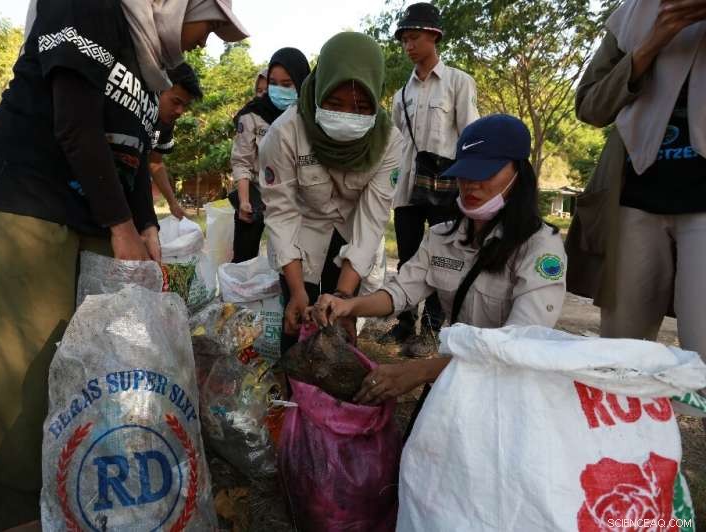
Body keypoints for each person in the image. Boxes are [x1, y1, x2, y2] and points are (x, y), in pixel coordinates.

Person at [0, 0, 248, 529]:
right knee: (22, 364)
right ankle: (19, 513)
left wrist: (146, 225)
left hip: (91, 206)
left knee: (89, 356)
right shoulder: (87, 4)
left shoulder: (145, 58)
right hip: (26, 195)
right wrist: (120, 227)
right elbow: (74, 122)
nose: (208, 41)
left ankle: (76, 495)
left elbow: (131, 151)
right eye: (211, 24)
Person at [310, 115, 566, 407]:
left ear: (518, 174)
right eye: (465, 174)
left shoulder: (540, 248)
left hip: (505, 393)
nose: (470, 185)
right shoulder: (443, 237)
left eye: (485, 174)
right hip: (454, 380)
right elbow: (401, 292)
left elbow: (518, 348)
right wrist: (348, 305)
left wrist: (420, 371)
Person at [566, 0, 706, 361]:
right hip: (633, 200)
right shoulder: (631, 17)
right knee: (621, 354)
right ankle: (625, 419)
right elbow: (590, 106)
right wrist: (650, 45)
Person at [258, 32, 405, 354]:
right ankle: (292, 397)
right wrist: (297, 291)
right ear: (318, 89)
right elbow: (281, 214)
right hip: (301, 234)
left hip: (352, 235)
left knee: (338, 332)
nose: (347, 116)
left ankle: (333, 404)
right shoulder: (284, 133)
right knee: (297, 327)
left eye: (361, 107)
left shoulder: (389, 142)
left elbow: (371, 221)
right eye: (334, 104)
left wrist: (345, 298)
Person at [381, 2, 480, 357]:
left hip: (445, 187)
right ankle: (405, 322)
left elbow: (469, 135)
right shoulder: (401, 95)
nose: (408, 45)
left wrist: (470, 187)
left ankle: (433, 328)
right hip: (407, 186)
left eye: (414, 37)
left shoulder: (458, 82)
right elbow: (395, 141)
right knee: (408, 257)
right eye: (404, 39)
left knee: (443, 257)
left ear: (434, 36)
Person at [230, 47, 310, 263]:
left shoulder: (309, 117)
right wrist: (245, 201)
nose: (277, 90)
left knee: (292, 262)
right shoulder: (253, 115)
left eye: (287, 84)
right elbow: (242, 161)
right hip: (256, 197)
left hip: (294, 202)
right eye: (273, 83)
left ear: (302, 83)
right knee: (243, 262)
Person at [150, 62, 204, 219]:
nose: (180, 111)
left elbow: (155, 162)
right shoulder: (135, 109)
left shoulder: (166, 123)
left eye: (184, 105)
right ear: (158, 88)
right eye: (175, 102)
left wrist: (173, 203)